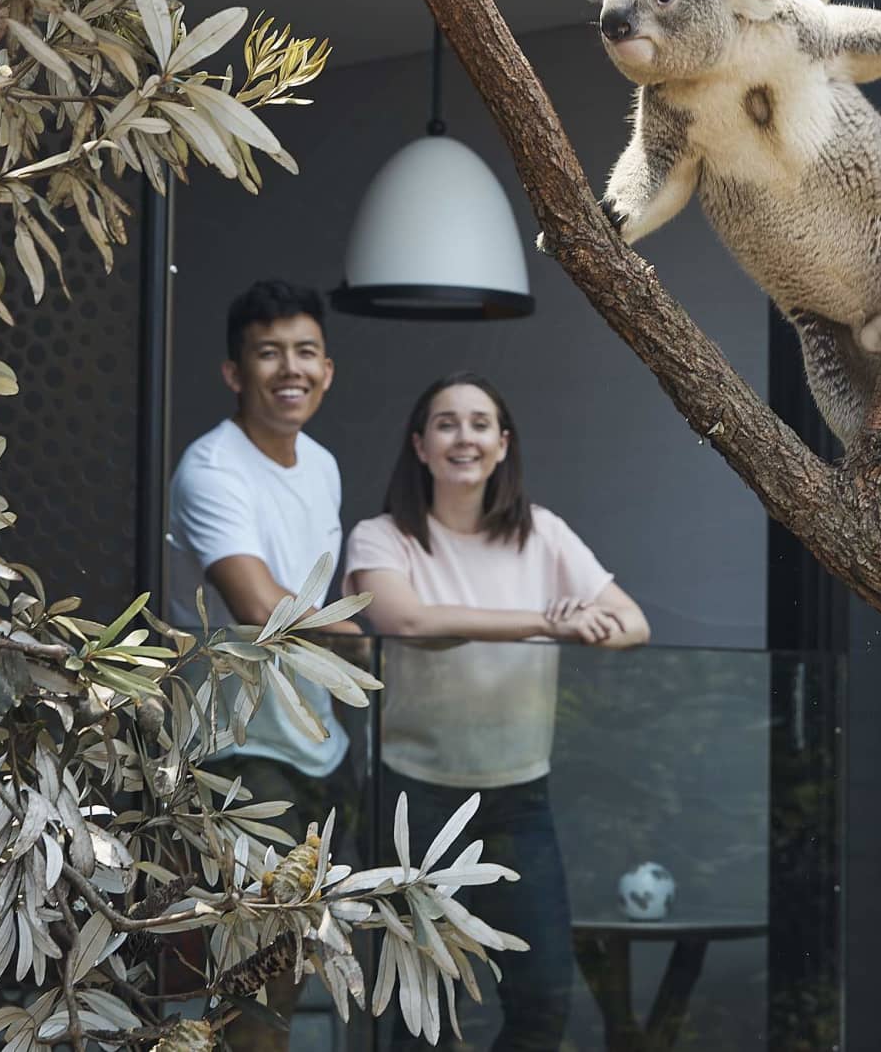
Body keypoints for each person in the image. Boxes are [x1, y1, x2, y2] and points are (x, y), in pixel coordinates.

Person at [344, 371, 649, 1051]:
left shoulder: (543, 533)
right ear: (420, 444)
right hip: (411, 799)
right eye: (446, 422)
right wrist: (547, 620)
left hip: (519, 798)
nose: (464, 436)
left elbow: (635, 623)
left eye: (480, 423)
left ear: (503, 443)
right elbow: (409, 619)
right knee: (422, 1013)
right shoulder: (383, 536)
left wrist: (588, 620)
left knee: (543, 997)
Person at [166, 279, 367, 1051]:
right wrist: (358, 629)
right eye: (269, 352)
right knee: (250, 975)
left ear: (327, 368)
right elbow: (258, 603)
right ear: (234, 371)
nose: (292, 369)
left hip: (320, 746)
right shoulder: (211, 469)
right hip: (240, 753)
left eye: (306, 352)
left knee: (291, 969)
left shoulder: (320, 464)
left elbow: (307, 598)